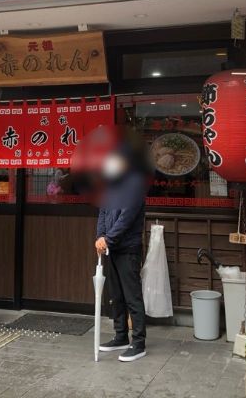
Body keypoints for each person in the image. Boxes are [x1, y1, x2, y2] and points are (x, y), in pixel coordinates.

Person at [94, 134, 150, 362]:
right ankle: (120, 336)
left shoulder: (135, 183)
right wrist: (100, 236)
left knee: (132, 296)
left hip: (127, 248)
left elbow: (127, 217)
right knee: (116, 295)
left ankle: (139, 342)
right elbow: (103, 212)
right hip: (111, 248)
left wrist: (108, 238)